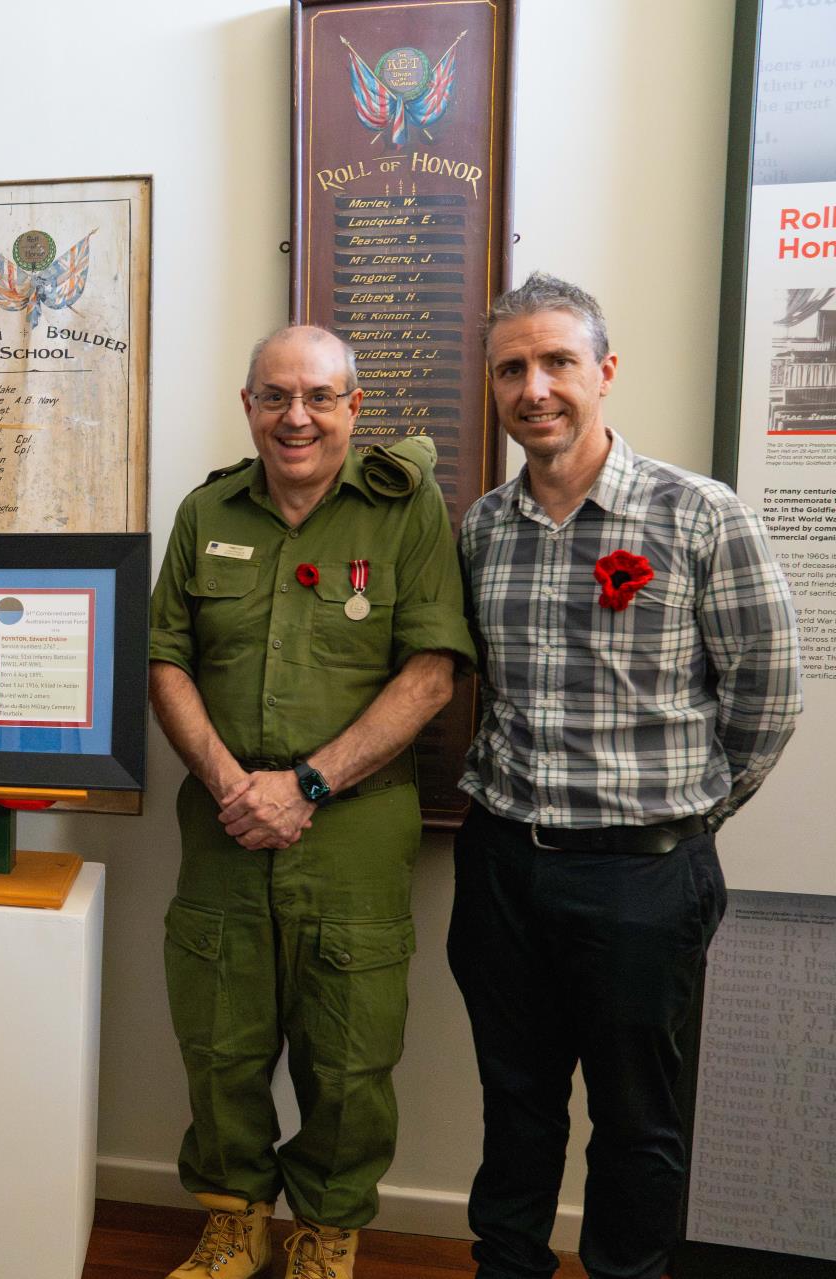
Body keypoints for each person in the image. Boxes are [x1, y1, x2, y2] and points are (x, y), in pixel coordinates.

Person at [450, 273, 801, 1279]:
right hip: (504, 868)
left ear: (603, 371)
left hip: (645, 879)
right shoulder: (481, 529)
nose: (536, 387)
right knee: (514, 1108)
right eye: (512, 367)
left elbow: (769, 698)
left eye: (558, 360)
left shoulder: (698, 515)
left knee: (640, 1124)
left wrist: (680, 823)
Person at [148, 325, 475, 1279]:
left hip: (353, 831)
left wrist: (308, 783)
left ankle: (325, 1232)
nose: (297, 416)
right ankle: (235, 1219)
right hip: (222, 824)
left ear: (353, 407)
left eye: (320, 396)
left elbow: (430, 672)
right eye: (276, 395)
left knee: (348, 1052)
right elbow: (166, 656)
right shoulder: (206, 510)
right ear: (247, 405)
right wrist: (227, 781)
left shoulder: (403, 511)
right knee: (219, 1038)